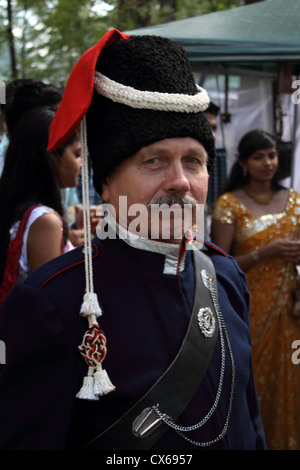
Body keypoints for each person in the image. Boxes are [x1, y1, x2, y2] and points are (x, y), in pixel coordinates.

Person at [0, 30, 265, 451]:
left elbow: (249, 424)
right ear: (104, 182)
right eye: (154, 160)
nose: (180, 181)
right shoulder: (49, 302)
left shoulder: (227, 275)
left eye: (193, 161)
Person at [210, 129, 300, 450]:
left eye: (272, 155)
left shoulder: (295, 200)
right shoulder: (229, 204)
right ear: (244, 163)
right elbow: (220, 265)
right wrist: (266, 251)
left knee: (291, 381)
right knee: (253, 383)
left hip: (289, 312)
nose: (268, 162)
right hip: (246, 312)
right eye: (259, 156)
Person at [0, 105, 81, 302]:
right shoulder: (45, 221)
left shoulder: (23, 209)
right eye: (77, 154)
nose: (81, 163)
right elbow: (53, 301)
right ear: (53, 154)